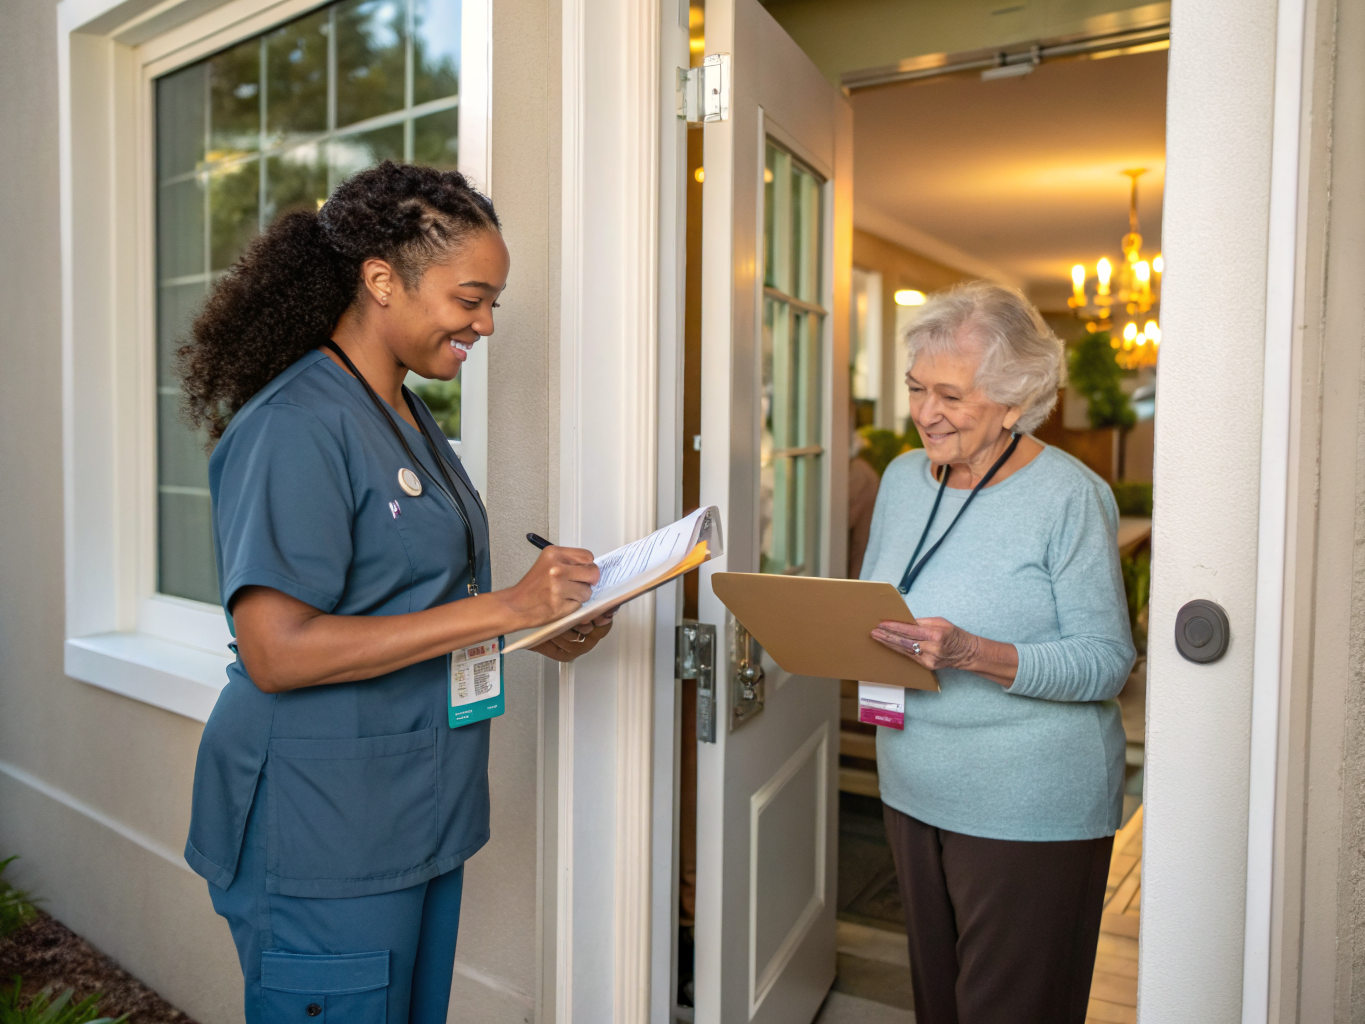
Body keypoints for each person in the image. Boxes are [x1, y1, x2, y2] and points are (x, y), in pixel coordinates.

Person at [179, 162, 612, 1024]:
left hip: (416, 811)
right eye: (470, 299)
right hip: (321, 828)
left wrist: (537, 624)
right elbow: (275, 651)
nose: (487, 324)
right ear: (381, 280)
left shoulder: (407, 415)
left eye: (493, 303)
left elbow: (412, 600)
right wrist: (506, 607)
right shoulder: (294, 425)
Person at [860, 281, 1135, 1024]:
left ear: (1014, 402)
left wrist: (971, 652)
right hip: (912, 784)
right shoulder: (901, 479)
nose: (924, 413)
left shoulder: (1069, 497)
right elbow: (880, 598)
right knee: (939, 1006)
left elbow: (1106, 660)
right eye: (916, 388)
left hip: (1028, 802)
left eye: (950, 395)